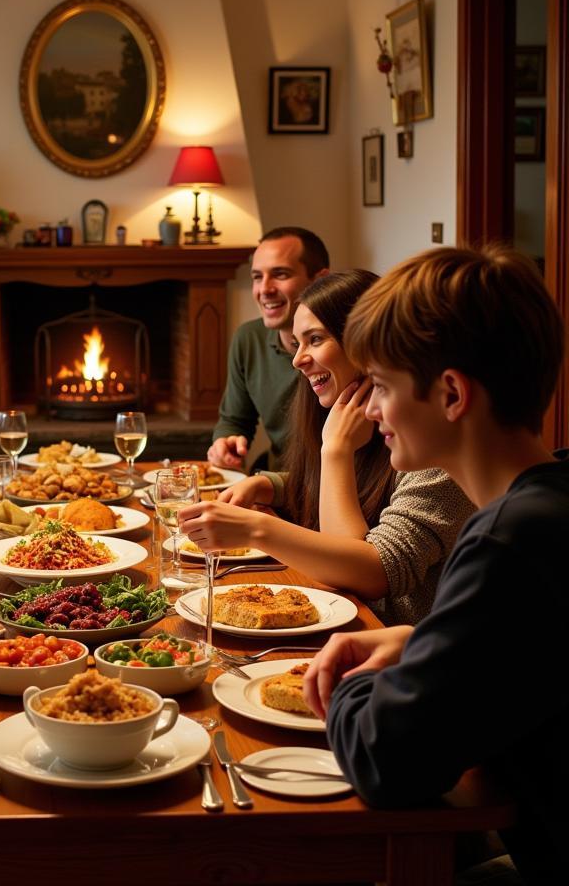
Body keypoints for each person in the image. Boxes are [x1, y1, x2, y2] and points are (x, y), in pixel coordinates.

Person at [301, 246, 566, 883]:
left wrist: (357, 682)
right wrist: (421, 641)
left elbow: (385, 759)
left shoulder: (508, 540)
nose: (369, 410)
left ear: (451, 394)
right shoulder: (551, 503)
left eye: (384, 387)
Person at [183, 270, 474, 625]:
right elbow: (354, 490)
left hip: (390, 650)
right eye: (297, 343)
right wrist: (269, 485)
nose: (297, 359)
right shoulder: (351, 419)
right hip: (355, 633)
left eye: (315, 339)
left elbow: (365, 571)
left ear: (366, 342)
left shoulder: (434, 451)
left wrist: (256, 528)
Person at [208, 226, 329, 472]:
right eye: (256, 277)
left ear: (320, 280)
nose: (264, 289)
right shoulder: (248, 338)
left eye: (280, 274)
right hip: (276, 487)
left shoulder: (349, 345)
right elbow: (234, 420)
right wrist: (226, 442)